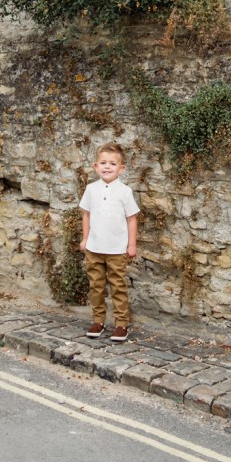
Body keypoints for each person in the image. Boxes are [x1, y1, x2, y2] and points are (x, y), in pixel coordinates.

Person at [79, 141, 139, 342]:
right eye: (103, 163)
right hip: (94, 248)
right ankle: (98, 320)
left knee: (118, 286)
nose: (107, 167)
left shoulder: (125, 192)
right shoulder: (91, 189)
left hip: (116, 249)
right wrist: (85, 239)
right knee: (96, 286)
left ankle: (121, 324)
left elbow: (132, 218)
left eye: (112, 164)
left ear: (121, 169)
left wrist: (131, 245)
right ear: (96, 166)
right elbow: (86, 215)